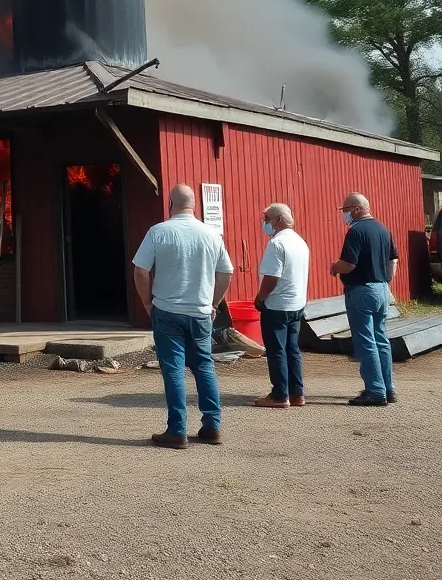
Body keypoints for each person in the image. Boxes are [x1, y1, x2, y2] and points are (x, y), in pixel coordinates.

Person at [133, 184, 234, 449]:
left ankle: (177, 431)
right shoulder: (211, 234)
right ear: (194, 205)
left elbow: (141, 271)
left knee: (174, 369)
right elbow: (226, 273)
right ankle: (212, 426)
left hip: (167, 310)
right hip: (200, 311)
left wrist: (147, 302)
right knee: (204, 366)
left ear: (170, 203)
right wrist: (214, 302)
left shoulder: (158, 232)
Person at [330, 192, 398, 406]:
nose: (345, 214)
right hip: (381, 288)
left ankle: (375, 390)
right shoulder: (383, 229)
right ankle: (388, 387)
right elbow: (393, 260)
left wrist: (335, 267)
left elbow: (349, 263)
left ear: (357, 209)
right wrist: (385, 281)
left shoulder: (356, 231)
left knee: (365, 341)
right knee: (381, 339)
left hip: (361, 289)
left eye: (346, 210)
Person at [252, 203, 310, 409]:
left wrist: (260, 297)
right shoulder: (300, 242)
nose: (265, 223)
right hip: (296, 303)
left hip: (277, 304)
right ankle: (297, 393)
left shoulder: (277, 244)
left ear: (279, 220)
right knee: (292, 349)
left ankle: (279, 394)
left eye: (268, 219)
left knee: (276, 350)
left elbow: (271, 277)